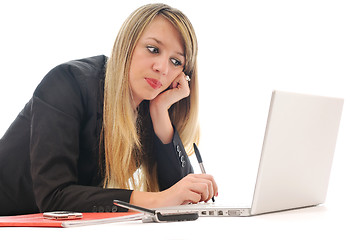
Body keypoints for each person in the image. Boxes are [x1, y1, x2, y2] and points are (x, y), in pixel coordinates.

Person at [0, 3, 218, 216]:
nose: (162, 68)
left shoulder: (148, 108)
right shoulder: (67, 83)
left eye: (175, 61)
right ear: (128, 43)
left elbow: (180, 196)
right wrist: (156, 200)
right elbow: (54, 197)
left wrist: (160, 112)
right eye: (153, 49)